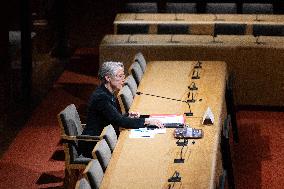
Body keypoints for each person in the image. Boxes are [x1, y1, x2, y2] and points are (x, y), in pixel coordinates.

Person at [79, 61, 163, 158]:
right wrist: (146, 121)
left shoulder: (106, 92)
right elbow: (119, 121)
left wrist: (128, 116)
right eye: (119, 76)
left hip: (106, 138)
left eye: (123, 76)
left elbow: (112, 117)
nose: (123, 79)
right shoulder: (101, 98)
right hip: (96, 144)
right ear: (108, 78)